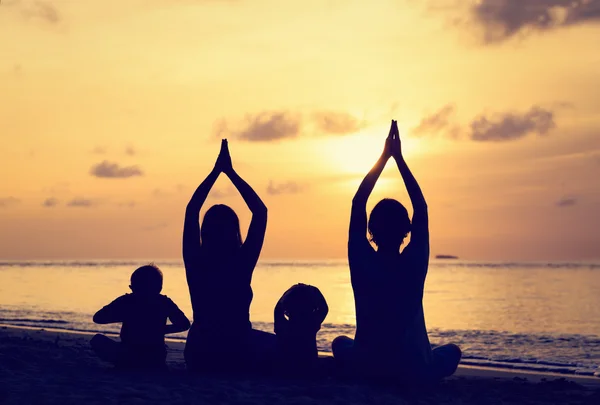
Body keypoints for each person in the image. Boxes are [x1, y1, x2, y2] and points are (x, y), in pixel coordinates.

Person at [332, 120, 461, 383]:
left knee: (339, 343)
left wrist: (384, 158)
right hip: (415, 368)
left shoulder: (362, 261)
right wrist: (398, 159)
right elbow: (421, 208)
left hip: (367, 366)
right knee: (453, 351)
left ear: (371, 231)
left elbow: (358, 202)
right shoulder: (414, 262)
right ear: (407, 231)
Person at [183, 139, 275, 373]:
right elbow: (260, 212)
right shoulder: (242, 262)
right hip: (236, 352)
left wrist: (217, 173)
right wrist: (229, 173)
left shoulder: (196, 260)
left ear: (205, 231)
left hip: (198, 354)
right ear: (234, 231)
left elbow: (192, 210)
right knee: (285, 347)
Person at [91, 264, 191, 370]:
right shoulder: (164, 302)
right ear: (159, 288)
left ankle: (126, 364)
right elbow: (184, 324)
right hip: (154, 358)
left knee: (98, 340)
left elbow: (99, 317)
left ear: (133, 287)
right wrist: (161, 330)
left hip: (130, 355)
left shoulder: (127, 301)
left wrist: (125, 315)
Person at [274, 283, 329, 375]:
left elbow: (278, 308)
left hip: (285, 368)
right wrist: (314, 290)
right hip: (308, 367)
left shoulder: (283, 326)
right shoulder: (311, 325)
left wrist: (289, 293)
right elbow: (324, 308)